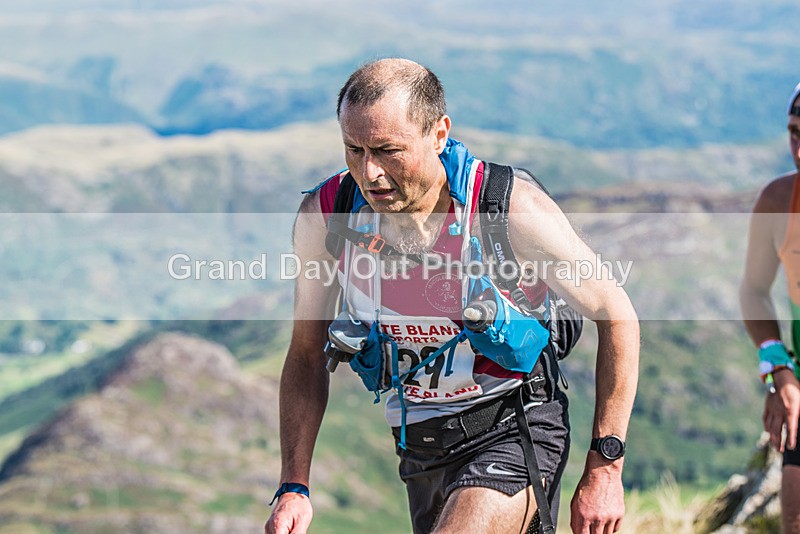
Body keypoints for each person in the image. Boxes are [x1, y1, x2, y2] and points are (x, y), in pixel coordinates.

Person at [265, 58, 640, 534]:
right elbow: (304, 353)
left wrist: (606, 468)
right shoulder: (327, 216)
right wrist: (293, 486)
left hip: (516, 427)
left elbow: (616, 313)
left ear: (439, 133)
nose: (370, 172)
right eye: (353, 149)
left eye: (387, 150)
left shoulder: (508, 210)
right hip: (418, 448)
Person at [740, 81, 800, 533]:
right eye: (794, 131)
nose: (799, 144)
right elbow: (754, 290)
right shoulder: (779, 201)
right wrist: (777, 365)